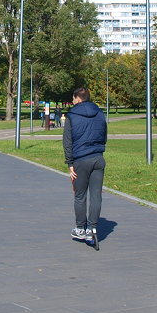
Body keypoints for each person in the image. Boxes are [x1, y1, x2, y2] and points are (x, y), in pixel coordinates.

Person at [63, 86, 107, 243]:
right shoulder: (100, 113)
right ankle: (92, 228)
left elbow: (67, 142)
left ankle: (80, 228)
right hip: (98, 158)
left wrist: (70, 163)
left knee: (80, 195)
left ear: (77, 98)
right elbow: (104, 134)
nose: (73, 101)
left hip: (80, 160)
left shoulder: (72, 116)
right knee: (96, 195)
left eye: (73, 98)